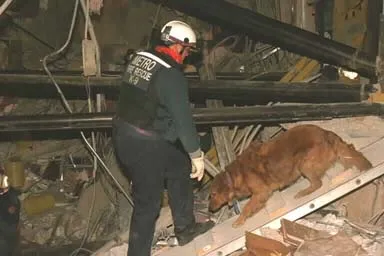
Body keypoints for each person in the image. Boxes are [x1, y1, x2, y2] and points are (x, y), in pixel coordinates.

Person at [112, 20, 215, 256]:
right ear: (179, 46)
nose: (187, 57)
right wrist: (196, 155)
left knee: (179, 167)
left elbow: (145, 101)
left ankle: (185, 228)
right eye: (188, 50)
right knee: (148, 205)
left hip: (123, 134)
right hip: (144, 145)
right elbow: (183, 120)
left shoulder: (140, 59)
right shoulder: (171, 76)